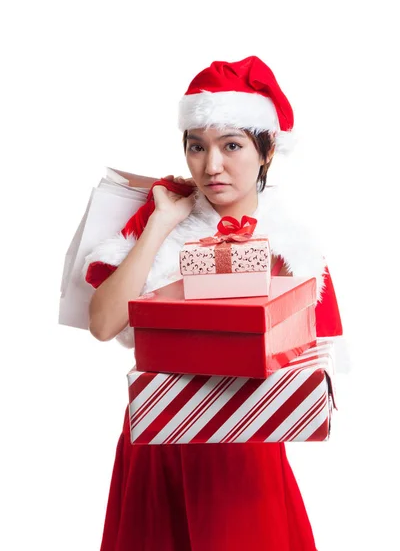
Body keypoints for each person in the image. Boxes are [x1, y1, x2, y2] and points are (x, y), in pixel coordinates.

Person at [83, 56, 343, 551]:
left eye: (231, 145)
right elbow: (103, 324)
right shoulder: (158, 220)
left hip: (242, 447)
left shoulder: (291, 249)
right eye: (197, 147)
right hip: (157, 439)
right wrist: (160, 225)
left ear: (266, 153)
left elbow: (311, 371)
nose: (212, 165)